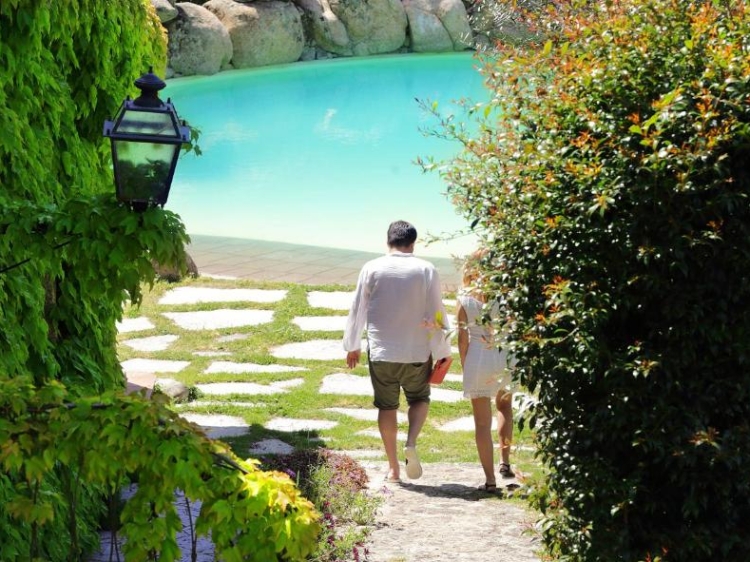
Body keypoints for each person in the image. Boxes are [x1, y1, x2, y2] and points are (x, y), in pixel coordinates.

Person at [343, 220, 452, 483]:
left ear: (388, 241)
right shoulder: (426, 268)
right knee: (419, 399)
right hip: (416, 353)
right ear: (413, 243)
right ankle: (411, 442)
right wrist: (442, 349)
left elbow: (358, 306)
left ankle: (393, 469)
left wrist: (353, 345)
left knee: (387, 406)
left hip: (381, 353)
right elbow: (436, 310)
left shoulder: (372, 267)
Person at [456, 250, 515, 493]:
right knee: (505, 408)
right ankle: (505, 462)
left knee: (481, 422)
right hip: (503, 354)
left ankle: (490, 480)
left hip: (478, 357)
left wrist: (464, 362)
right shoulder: (507, 295)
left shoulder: (465, 297)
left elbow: (462, 338)